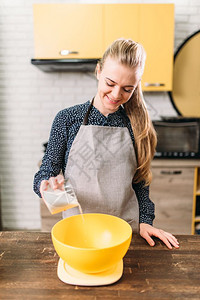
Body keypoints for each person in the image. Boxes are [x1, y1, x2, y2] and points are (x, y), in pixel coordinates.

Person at [33, 38, 179, 250]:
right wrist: (48, 186)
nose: (116, 95)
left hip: (123, 234)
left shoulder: (136, 125)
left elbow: (140, 183)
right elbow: (46, 172)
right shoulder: (67, 119)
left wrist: (145, 221)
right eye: (110, 83)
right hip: (78, 235)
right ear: (98, 71)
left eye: (127, 89)